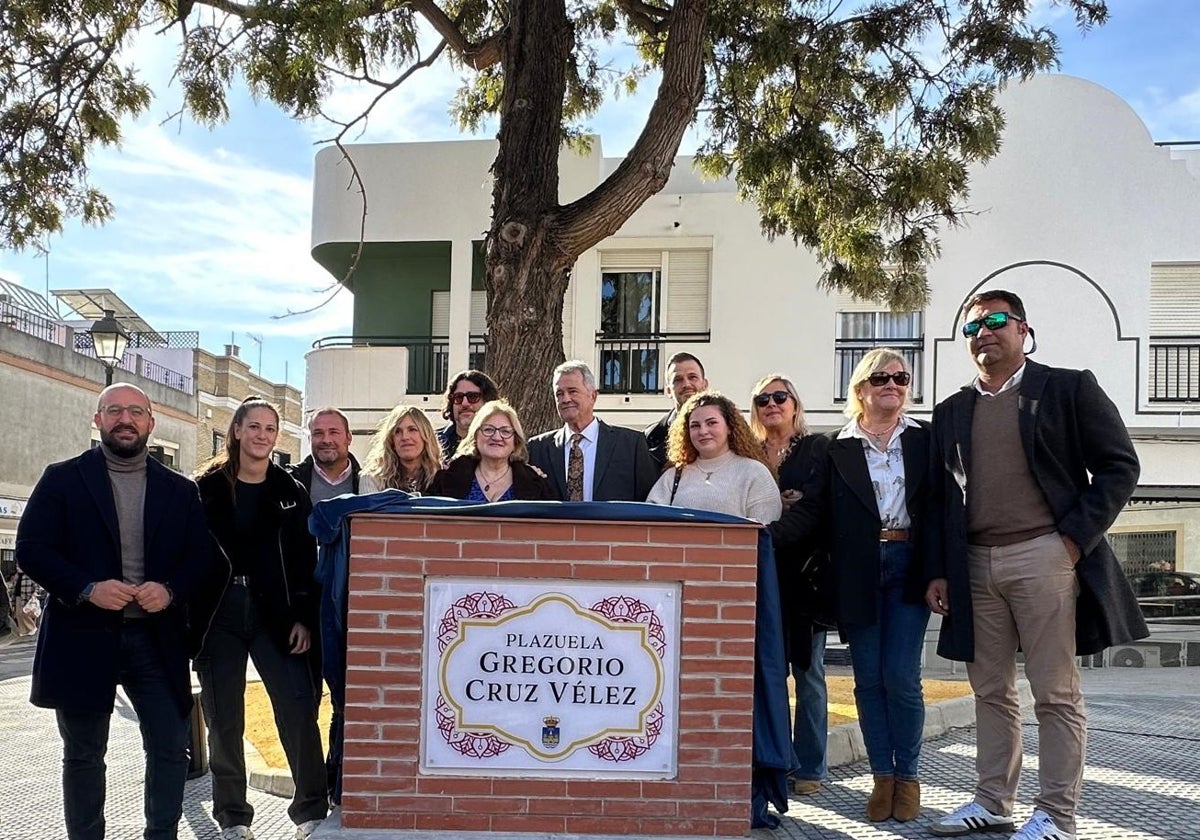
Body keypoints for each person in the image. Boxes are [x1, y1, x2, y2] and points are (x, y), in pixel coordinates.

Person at [926, 290, 1146, 840]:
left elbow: (1119, 467)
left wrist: (1071, 541)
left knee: (1055, 692)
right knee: (990, 691)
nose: (985, 332)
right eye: (973, 326)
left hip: (1045, 555)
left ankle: (1056, 814)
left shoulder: (1068, 388)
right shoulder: (952, 411)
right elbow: (939, 499)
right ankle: (993, 800)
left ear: (1024, 329)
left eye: (997, 321)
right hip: (975, 564)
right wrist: (939, 569)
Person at [15, 383, 213, 840]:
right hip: (82, 636)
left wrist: (169, 590)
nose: (126, 419)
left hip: (156, 642)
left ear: (151, 423)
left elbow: (200, 556)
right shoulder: (62, 478)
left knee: (169, 749)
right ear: (98, 419)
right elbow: (31, 549)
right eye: (115, 410)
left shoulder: (180, 490)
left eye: (136, 412)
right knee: (84, 755)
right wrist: (85, 588)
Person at [772, 349, 932, 823]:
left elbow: (944, 508)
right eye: (881, 377)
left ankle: (909, 778)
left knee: (901, 677)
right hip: (857, 571)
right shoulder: (834, 447)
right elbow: (814, 513)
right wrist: (762, 532)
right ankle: (883, 777)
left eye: (901, 377)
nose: (893, 385)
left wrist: (943, 571)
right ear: (860, 389)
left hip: (909, 563)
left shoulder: (926, 440)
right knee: (867, 681)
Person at [193, 397, 328, 840]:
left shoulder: (291, 492)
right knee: (224, 718)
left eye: (271, 429)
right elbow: (184, 555)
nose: (263, 436)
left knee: (295, 708)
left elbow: (307, 564)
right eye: (254, 427)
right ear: (236, 431)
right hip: (220, 614)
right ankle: (232, 817)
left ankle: (310, 809)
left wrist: (304, 619)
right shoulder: (203, 488)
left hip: (278, 614)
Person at [749, 373, 830, 797]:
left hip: (805, 577)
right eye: (763, 399)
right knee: (768, 673)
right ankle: (774, 760)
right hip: (760, 577)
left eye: (780, 396)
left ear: (795, 404)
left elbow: (814, 507)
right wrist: (778, 504)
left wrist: (764, 531)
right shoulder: (748, 453)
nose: (771, 404)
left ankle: (811, 765)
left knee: (809, 674)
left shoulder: (817, 448)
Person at [528, 360, 658, 502]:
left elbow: (648, 502)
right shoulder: (538, 448)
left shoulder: (630, 445)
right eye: (559, 394)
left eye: (572, 391)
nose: (565, 399)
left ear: (593, 396)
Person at [645, 391, 781, 523]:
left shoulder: (754, 472)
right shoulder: (673, 476)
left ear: (729, 427)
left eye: (711, 423)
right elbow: (650, 524)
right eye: (695, 426)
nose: (703, 431)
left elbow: (763, 533)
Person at [428, 400, 554, 501]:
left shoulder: (536, 484)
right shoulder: (447, 479)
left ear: (515, 441)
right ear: (475, 436)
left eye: (505, 431)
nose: (496, 437)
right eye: (488, 430)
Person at [644, 352, 708, 470]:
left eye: (692, 377)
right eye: (678, 380)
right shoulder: (650, 438)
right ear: (668, 391)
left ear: (705, 385)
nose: (686, 384)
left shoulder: (726, 431)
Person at [359, 404, 442, 494]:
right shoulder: (372, 479)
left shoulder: (443, 477)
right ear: (391, 440)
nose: (405, 437)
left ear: (426, 435)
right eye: (397, 432)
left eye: (412, 429)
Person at [289, 407, 362, 502]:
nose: (326, 440)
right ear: (309, 439)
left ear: (349, 438)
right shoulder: (289, 482)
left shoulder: (368, 483)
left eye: (333, 432)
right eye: (318, 433)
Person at [437, 370, 501, 463]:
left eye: (473, 397)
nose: (464, 403)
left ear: (488, 401)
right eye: (458, 397)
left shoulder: (502, 443)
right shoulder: (434, 444)